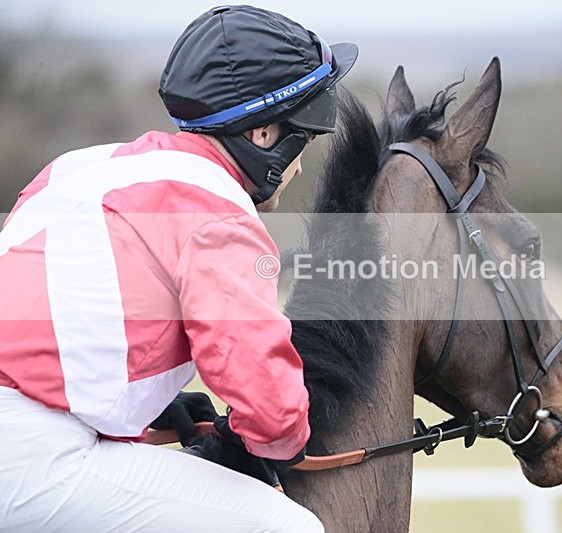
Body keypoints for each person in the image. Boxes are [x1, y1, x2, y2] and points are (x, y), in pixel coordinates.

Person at [0, 5, 357, 532]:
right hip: (30, 458)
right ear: (262, 134)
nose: (300, 164)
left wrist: (149, 407)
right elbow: (268, 399)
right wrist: (271, 438)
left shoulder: (82, 166)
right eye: (301, 138)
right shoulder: (218, 211)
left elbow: (54, 320)